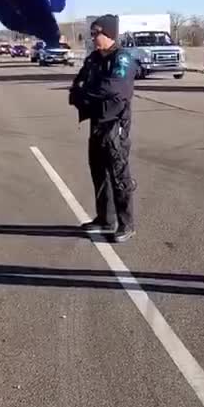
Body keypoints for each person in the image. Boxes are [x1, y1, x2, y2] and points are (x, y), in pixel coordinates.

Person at [69, 14, 136, 242]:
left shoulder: (122, 59)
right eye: (92, 33)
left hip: (115, 125)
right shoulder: (93, 59)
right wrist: (82, 93)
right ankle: (105, 219)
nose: (93, 37)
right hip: (96, 123)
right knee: (98, 172)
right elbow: (78, 84)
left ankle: (126, 223)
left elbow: (114, 88)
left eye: (97, 33)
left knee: (118, 175)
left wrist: (86, 93)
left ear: (109, 34)